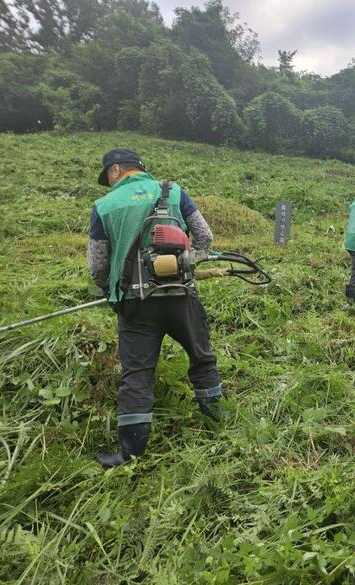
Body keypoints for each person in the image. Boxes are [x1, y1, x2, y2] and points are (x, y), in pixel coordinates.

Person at [87, 148, 223, 468]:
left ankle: (130, 454)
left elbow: (97, 266)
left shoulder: (104, 205)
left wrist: (110, 291)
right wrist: (188, 263)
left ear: (117, 170)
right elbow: (204, 237)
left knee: (137, 375)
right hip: (181, 295)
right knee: (202, 359)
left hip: (135, 305)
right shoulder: (173, 191)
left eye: (108, 175)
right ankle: (219, 427)